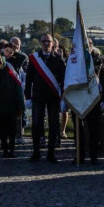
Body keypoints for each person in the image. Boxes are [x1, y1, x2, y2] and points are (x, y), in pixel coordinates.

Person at [25, 33, 66, 163]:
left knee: (53, 125)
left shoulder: (59, 59)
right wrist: (28, 96)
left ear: (53, 43)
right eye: (44, 41)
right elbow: (28, 79)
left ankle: (51, 153)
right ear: (40, 43)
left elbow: (63, 80)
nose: (46, 44)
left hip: (53, 97)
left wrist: (63, 97)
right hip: (38, 96)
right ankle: (36, 152)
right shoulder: (34, 59)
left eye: (48, 41)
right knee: (36, 125)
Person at [0, 41, 26, 158]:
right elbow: (0, 64)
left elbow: (24, 56)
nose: (8, 53)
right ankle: (4, 149)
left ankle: (12, 149)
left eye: (10, 51)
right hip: (1, 98)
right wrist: (2, 53)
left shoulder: (15, 62)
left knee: (12, 127)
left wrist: (13, 50)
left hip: (12, 99)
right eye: (6, 50)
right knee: (2, 127)